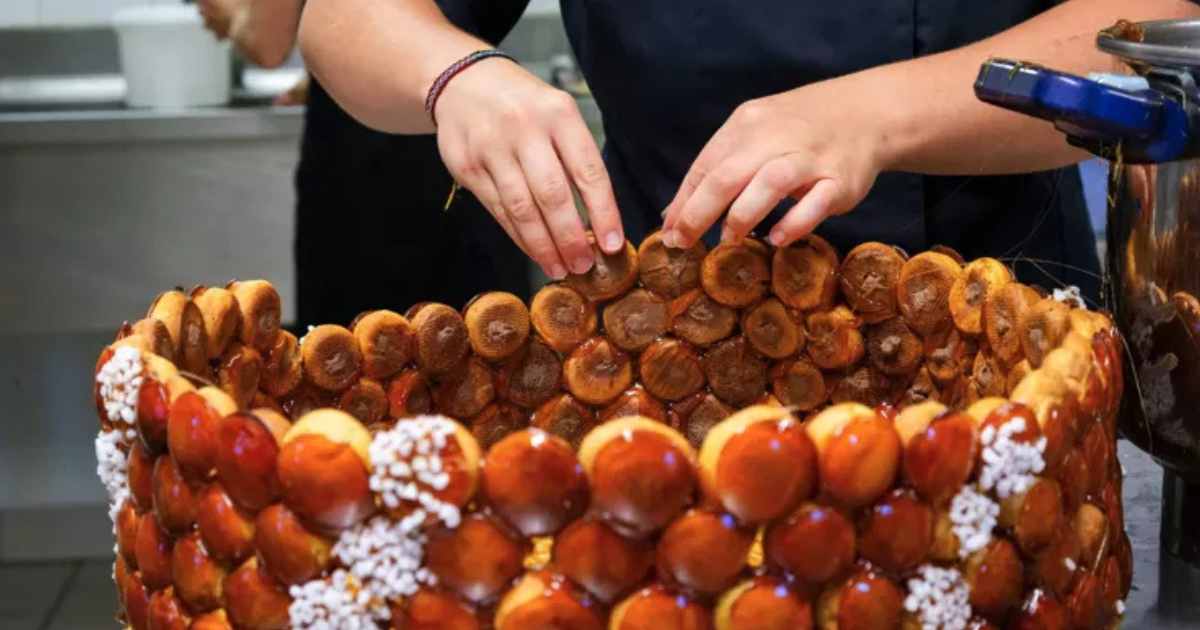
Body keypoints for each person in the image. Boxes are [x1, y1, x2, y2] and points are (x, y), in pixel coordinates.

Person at [299, 0, 1200, 303]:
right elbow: (343, 19)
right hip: (664, 332)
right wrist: (456, 74)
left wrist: (878, 113)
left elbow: (1160, 25)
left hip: (997, 307)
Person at [196, 0, 533, 328]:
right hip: (479, 142)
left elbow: (265, 39)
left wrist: (229, 11)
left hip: (365, 163)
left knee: (349, 363)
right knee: (491, 352)